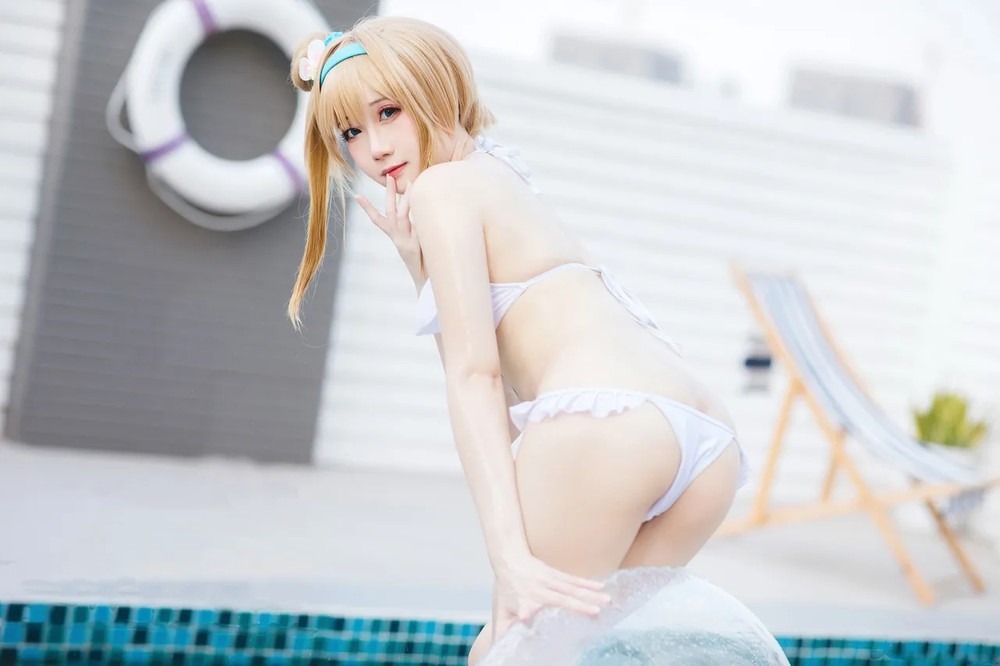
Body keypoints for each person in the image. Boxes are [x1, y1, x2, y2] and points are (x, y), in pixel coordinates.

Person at [286, 16, 750, 665]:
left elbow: (474, 377)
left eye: (389, 112)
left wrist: (507, 555)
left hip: (609, 424)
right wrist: (417, 266)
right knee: (574, 652)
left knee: (508, 652)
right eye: (351, 133)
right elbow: (506, 394)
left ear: (439, 88)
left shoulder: (440, 189)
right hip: (705, 442)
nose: (375, 148)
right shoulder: (499, 175)